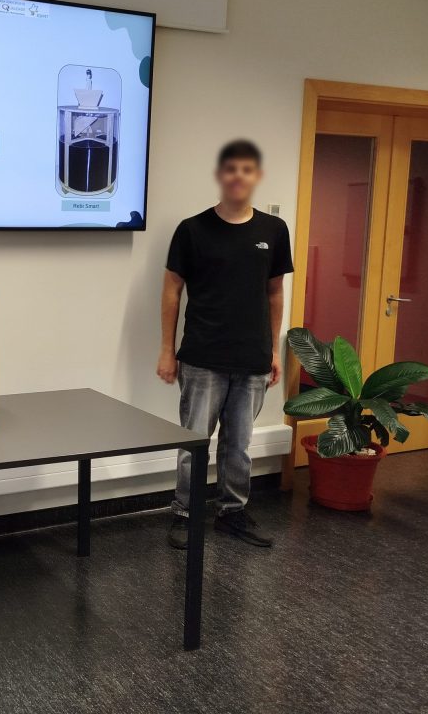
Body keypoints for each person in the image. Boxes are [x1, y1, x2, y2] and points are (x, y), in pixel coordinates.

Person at [157, 139, 293, 549]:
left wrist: (273, 351)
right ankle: (185, 512)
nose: (238, 176)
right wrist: (167, 350)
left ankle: (232, 513)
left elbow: (274, 293)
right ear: (220, 175)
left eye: (246, 169)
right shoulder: (192, 229)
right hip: (203, 356)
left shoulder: (273, 230)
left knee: (239, 444)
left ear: (256, 177)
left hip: (252, 357)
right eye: (231, 169)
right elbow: (171, 291)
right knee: (194, 443)